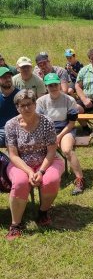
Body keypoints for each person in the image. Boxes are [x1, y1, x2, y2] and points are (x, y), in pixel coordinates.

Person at [5, 89, 65, 240]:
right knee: (19, 182)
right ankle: (15, 225)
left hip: (47, 160)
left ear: (35, 104)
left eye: (30, 104)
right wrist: (30, 172)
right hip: (20, 163)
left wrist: (42, 171)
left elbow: (52, 151)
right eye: (22, 105)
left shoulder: (47, 122)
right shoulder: (11, 125)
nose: (26, 108)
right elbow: (13, 155)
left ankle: (43, 212)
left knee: (51, 180)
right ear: (17, 107)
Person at [36, 73, 85, 196]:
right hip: (46, 130)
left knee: (67, 150)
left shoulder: (69, 100)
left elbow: (72, 123)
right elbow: (39, 122)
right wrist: (51, 135)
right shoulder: (41, 101)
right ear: (46, 87)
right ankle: (40, 175)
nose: (53, 87)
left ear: (60, 84)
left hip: (66, 129)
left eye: (55, 84)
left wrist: (59, 136)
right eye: (50, 85)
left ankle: (80, 179)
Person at [0, 67, 20, 147]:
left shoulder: (20, 95)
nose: (8, 79)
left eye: (9, 77)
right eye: (4, 77)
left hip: (15, 130)